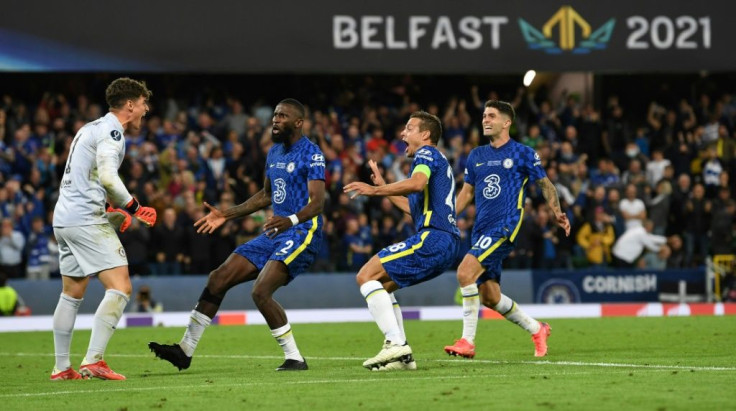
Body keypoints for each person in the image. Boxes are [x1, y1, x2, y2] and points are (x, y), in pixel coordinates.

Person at [149, 98, 325, 372]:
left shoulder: (312, 153)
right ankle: (184, 350)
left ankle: (295, 358)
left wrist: (289, 220)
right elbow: (266, 195)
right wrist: (225, 214)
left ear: (298, 122)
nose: (275, 120)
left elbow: (318, 203)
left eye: (282, 116)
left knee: (261, 292)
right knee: (218, 278)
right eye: (275, 115)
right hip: (275, 232)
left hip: (302, 231)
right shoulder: (275, 152)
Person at [444, 100, 570, 359]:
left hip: (506, 226)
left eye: (491, 116)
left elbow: (545, 184)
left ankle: (467, 341)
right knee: (490, 297)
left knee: (465, 272)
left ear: (506, 122)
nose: (485, 120)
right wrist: (447, 218)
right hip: (481, 230)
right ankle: (538, 328)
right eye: (483, 116)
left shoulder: (523, 153)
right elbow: (467, 192)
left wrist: (557, 212)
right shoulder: (476, 155)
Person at [50, 77, 158, 381]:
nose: (146, 110)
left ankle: (61, 368)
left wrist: (110, 210)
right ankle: (93, 360)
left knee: (71, 293)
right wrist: (135, 208)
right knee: (121, 286)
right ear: (130, 105)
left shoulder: (90, 127)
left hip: (65, 219)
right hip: (85, 218)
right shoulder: (113, 132)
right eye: (143, 104)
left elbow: (90, 178)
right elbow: (109, 178)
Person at [344, 111, 459, 371]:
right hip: (445, 242)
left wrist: (375, 190)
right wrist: (384, 186)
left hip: (434, 237)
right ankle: (403, 357)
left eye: (409, 128)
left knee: (365, 275)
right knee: (382, 286)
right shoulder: (438, 161)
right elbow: (412, 207)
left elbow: (417, 184)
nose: (402, 134)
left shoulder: (426, 154)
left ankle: (395, 343)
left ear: (425, 135)